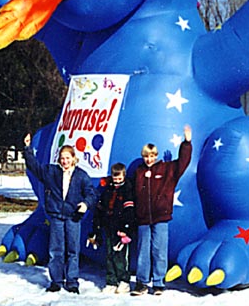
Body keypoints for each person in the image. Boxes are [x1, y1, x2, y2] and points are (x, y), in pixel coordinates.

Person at [23, 134, 97, 294]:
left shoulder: (81, 175)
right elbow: (34, 167)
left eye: (67, 158)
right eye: (62, 158)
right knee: (55, 251)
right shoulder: (51, 172)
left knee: (72, 251)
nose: (65, 161)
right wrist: (28, 149)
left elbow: (91, 194)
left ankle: (72, 282)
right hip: (56, 216)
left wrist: (85, 204)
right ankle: (56, 281)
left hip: (73, 217)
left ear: (73, 159)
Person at [131, 125, 192, 296]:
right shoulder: (139, 171)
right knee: (143, 252)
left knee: (159, 251)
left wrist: (186, 143)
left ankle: (158, 283)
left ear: (156, 156)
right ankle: (142, 283)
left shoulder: (166, 169)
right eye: (146, 156)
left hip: (161, 217)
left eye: (151, 156)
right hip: (143, 218)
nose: (149, 159)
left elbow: (182, 163)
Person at [88, 162, 135, 294]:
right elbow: (101, 209)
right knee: (110, 255)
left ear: (124, 176)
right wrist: (97, 226)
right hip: (109, 226)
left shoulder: (127, 190)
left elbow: (129, 211)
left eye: (119, 178)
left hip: (121, 230)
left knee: (120, 256)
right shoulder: (108, 190)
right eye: (115, 178)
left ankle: (123, 280)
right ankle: (111, 280)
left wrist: (126, 228)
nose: (117, 181)